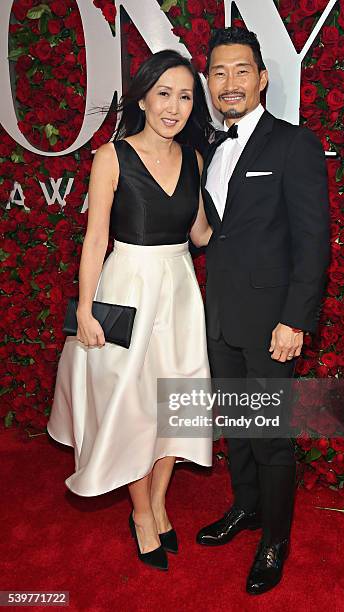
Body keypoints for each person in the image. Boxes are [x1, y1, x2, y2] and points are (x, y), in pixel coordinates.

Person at [47, 50, 214, 572]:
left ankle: (159, 502)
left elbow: (202, 234)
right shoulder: (111, 157)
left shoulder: (196, 160)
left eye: (185, 96)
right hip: (127, 288)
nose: (174, 106)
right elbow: (95, 239)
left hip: (180, 292)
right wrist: (87, 309)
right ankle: (142, 514)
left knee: (178, 405)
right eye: (164, 93)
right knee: (133, 407)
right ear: (142, 97)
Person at [196, 28, 331, 594]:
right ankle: (246, 508)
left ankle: (275, 538)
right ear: (209, 83)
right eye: (219, 74)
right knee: (237, 425)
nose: (230, 83)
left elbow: (313, 238)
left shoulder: (292, 144)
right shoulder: (206, 146)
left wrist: (296, 319)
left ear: (263, 77)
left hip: (273, 321)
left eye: (241, 71)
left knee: (272, 434)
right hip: (221, 316)